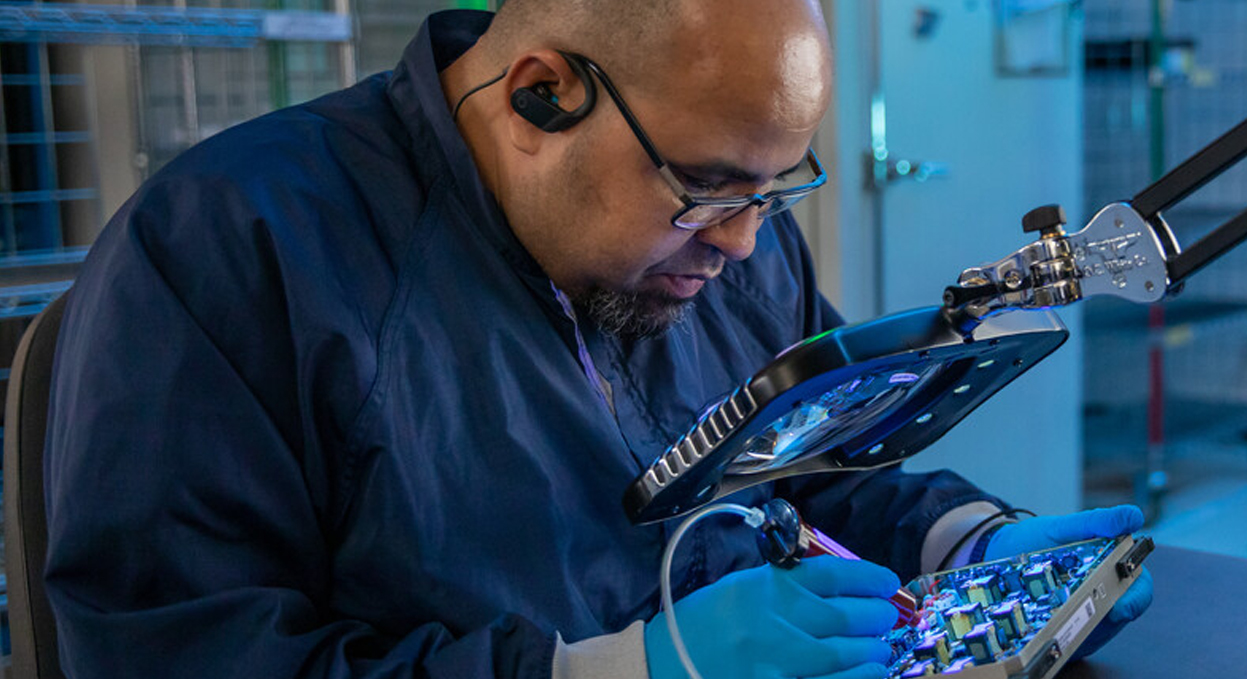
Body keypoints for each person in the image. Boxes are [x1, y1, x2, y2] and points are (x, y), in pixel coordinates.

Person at [41, 1, 1152, 677]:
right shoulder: (234, 249)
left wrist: (970, 549)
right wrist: (621, 671)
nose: (745, 242)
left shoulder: (725, 245)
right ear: (543, 95)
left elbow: (817, 474)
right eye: (706, 188)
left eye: (776, 189)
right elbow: (181, 652)